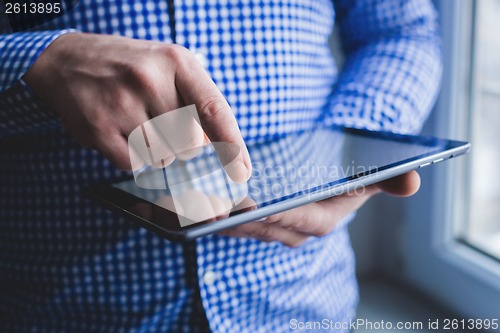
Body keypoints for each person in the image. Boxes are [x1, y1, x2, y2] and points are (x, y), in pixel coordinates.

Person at [0, 0, 441, 331]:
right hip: (64, 312)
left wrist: (347, 150)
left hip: (304, 307)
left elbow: (400, 30)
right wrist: (41, 61)